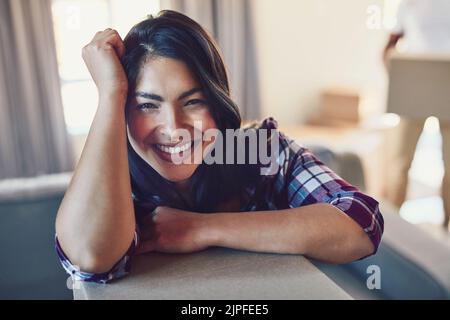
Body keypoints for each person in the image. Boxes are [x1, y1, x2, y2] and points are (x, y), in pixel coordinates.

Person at [55, 10, 384, 283]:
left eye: (193, 101)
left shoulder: (261, 150)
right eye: (147, 105)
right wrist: (110, 92)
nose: (174, 129)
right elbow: (91, 257)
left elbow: (361, 224)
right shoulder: (112, 180)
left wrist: (199, 228)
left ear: (217, 101)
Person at [383, 0, 450, 230]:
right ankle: (389, 225)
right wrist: (396, 75)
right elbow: (389, 46)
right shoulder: (407, 4)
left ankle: (446, 227)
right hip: (414, 87)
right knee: (400, 162)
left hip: (447, 86)